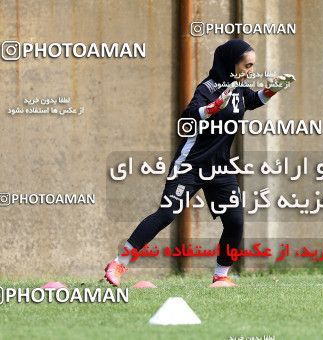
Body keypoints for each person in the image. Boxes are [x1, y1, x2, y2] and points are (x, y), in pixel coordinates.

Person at [104, 39, 295, 287]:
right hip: (190, 165)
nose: (251, 71)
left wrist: (272, 90)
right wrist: (213, 108)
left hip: (220, 167)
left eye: (253, 66)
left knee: (235, 221)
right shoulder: (207, 88)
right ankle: (118, 263)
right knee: (165, 214)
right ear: (230, 63)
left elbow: (252, 100)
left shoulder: (237, 88)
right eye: (247, 66)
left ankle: (221, 275)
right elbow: (189, 116)